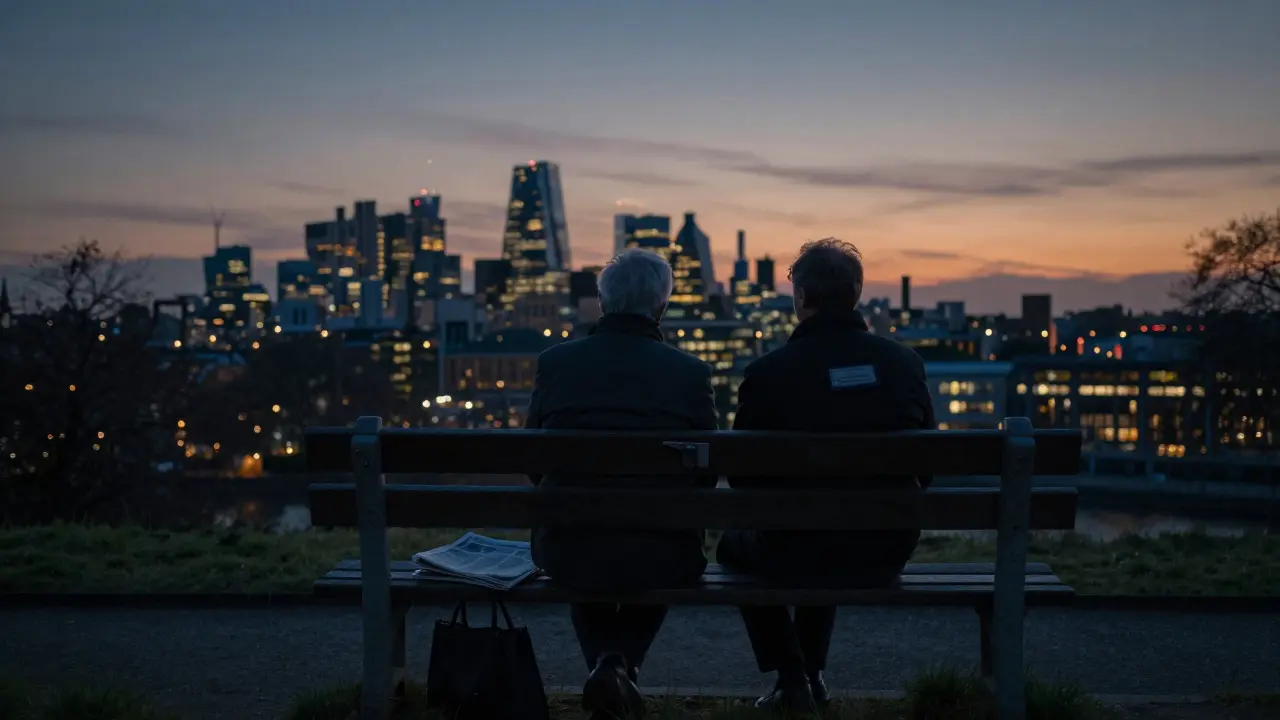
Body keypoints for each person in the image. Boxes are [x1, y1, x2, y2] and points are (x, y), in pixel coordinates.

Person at [717, 238, 936, 713]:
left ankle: (793, 676)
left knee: (747, 542)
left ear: (801, 297)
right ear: (855, 292)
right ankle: (811, 673)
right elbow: (928, 469)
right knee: (827, 522)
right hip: (885, 547)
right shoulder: (904, 364)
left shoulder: (768, 373)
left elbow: (741, 481)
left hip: (794, 548)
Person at [525, 248, 719, 720]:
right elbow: (707, 472)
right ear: (661, 307)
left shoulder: (556, 363)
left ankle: (607, 665)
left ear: (603, 302)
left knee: (584, 543)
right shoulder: (690, 373)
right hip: (662, 551)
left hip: (567, 546)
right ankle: (619, 664)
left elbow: (534, 460)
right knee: (654, 552)